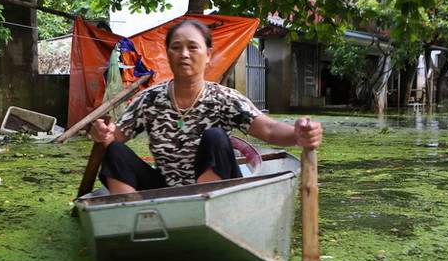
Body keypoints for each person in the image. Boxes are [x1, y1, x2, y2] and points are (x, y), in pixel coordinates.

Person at [88, 18, 323, 194]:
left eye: (193, 47)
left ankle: (203, 208)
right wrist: (101, 134)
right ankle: (130, 217)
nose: (184, 54)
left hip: (218, 192)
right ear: (168, 55)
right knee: (115, 152)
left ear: (208, 54)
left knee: (215, 137)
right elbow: (114, 138)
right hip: (165, 190)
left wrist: (298, 134)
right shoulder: (149, 100)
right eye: (176, 48)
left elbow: (269, 130)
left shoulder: (225, 99)